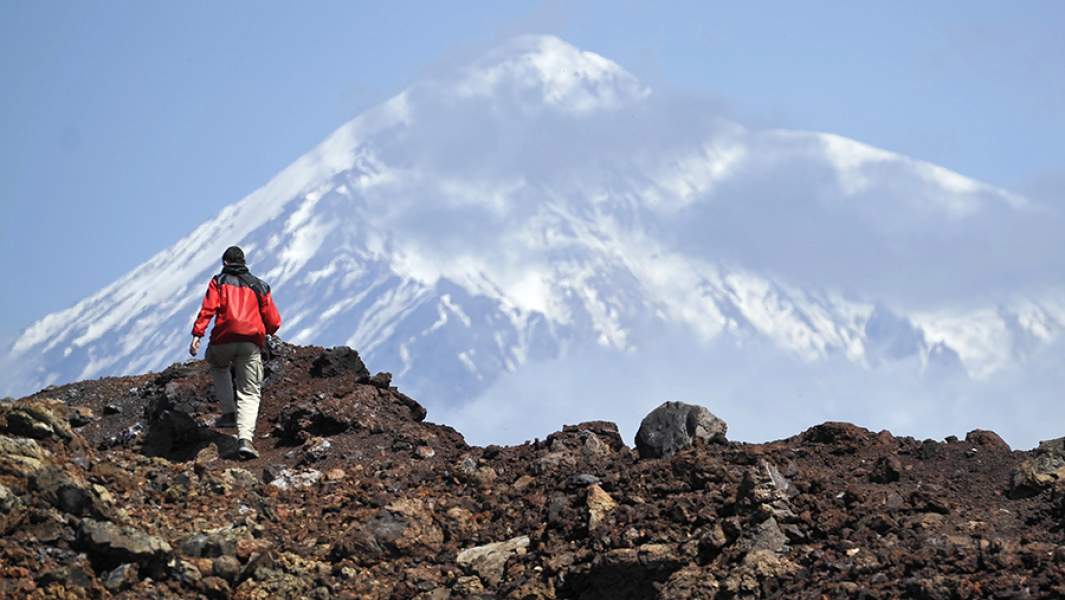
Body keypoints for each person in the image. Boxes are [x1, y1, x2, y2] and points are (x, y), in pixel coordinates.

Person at [189, 246, 282, 459]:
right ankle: (245, 440)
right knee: (249, 392)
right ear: (244, 262)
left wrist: (197, 335)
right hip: (250, 342)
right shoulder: (259, 285)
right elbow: (274, 322)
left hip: (223, 339)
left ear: (225, 263)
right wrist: (265, 331)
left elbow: (208, 309)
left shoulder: (219, 281)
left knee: (218, 365)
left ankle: (229, 413)